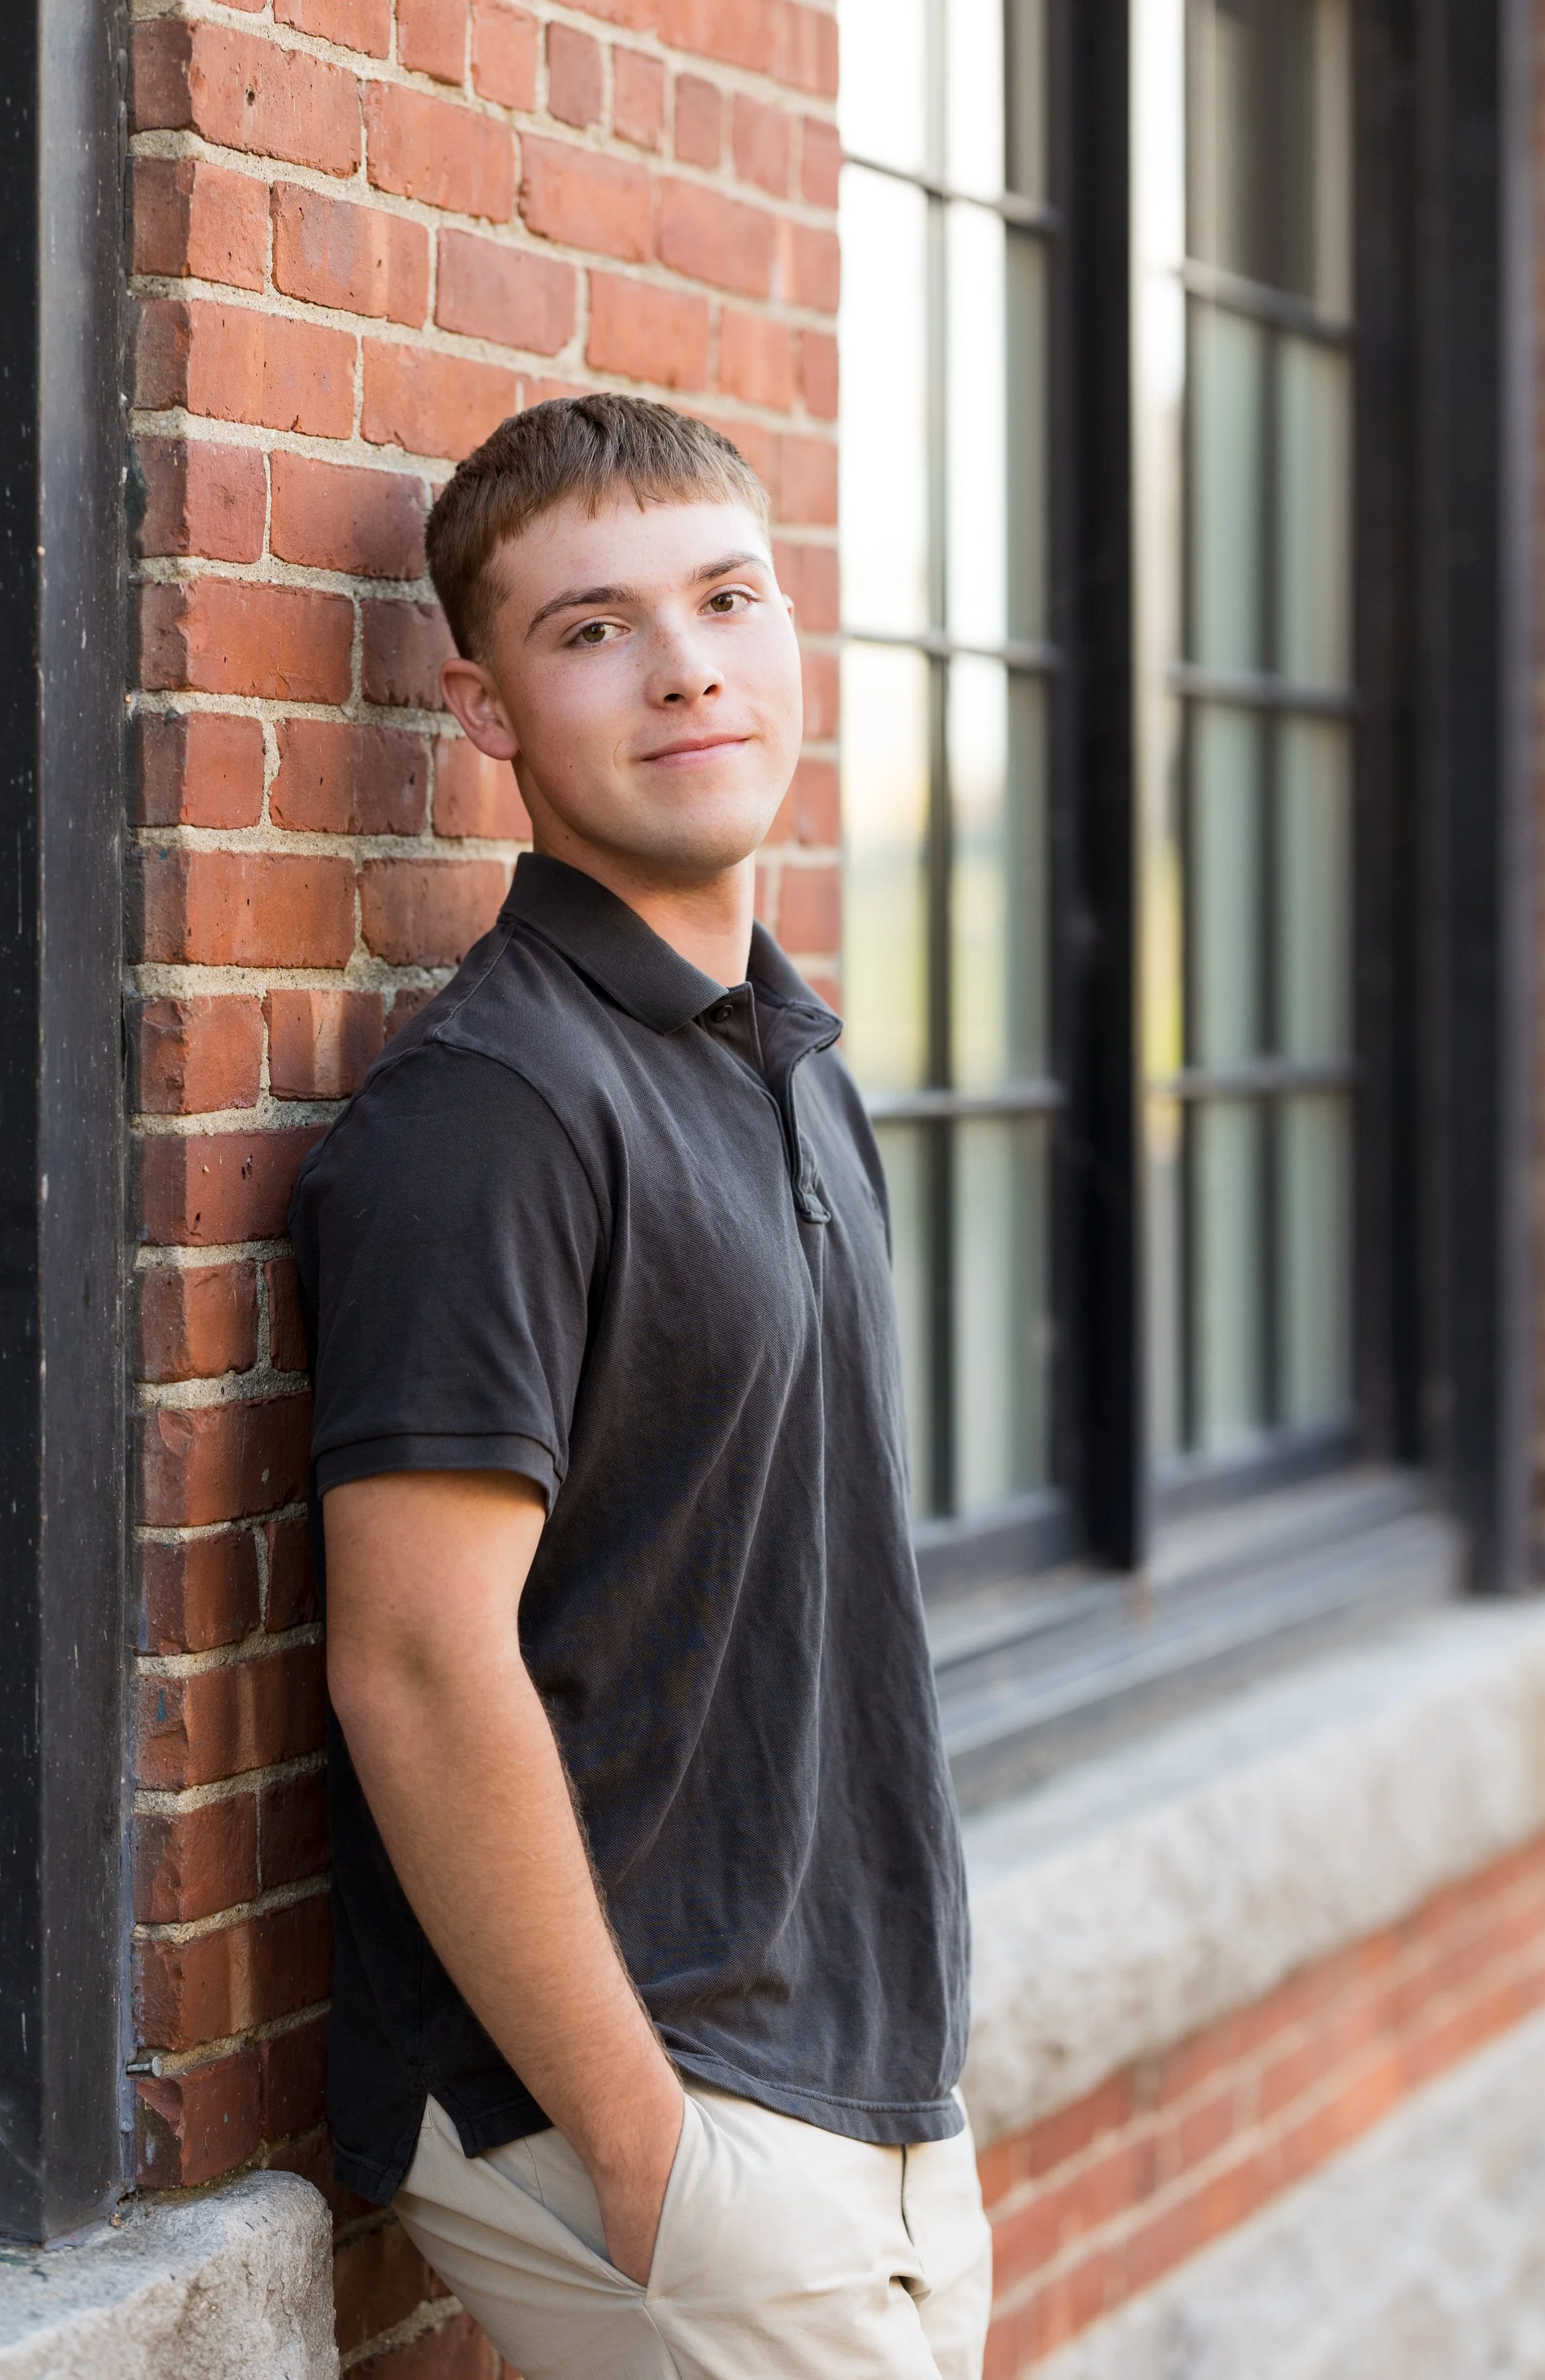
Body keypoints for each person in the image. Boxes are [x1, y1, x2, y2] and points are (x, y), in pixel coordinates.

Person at [289, 393, 990, 2379]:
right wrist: (640, 2142)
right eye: (592, 625)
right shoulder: (496, 1112)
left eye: (726, 597)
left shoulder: (790, 1057)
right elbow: (416, 1659)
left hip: (866, 2084)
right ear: (486, 707)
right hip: (661, 2104)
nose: (684, 660)